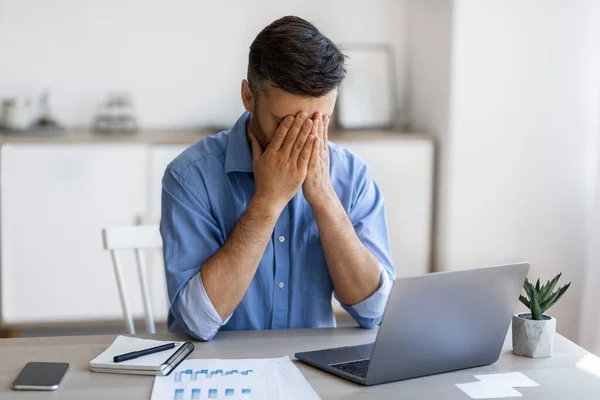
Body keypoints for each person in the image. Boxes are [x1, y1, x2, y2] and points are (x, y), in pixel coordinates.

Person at [160, 16, 395, 341]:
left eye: (319, 121)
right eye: (285, 122)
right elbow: (198, 323)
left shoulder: (351, 174)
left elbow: (375, 312)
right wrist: (267, 202)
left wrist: (324, 197)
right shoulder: (189, 176)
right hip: (217, 372)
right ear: (248, 96)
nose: (301, 138)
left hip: (311, 370)